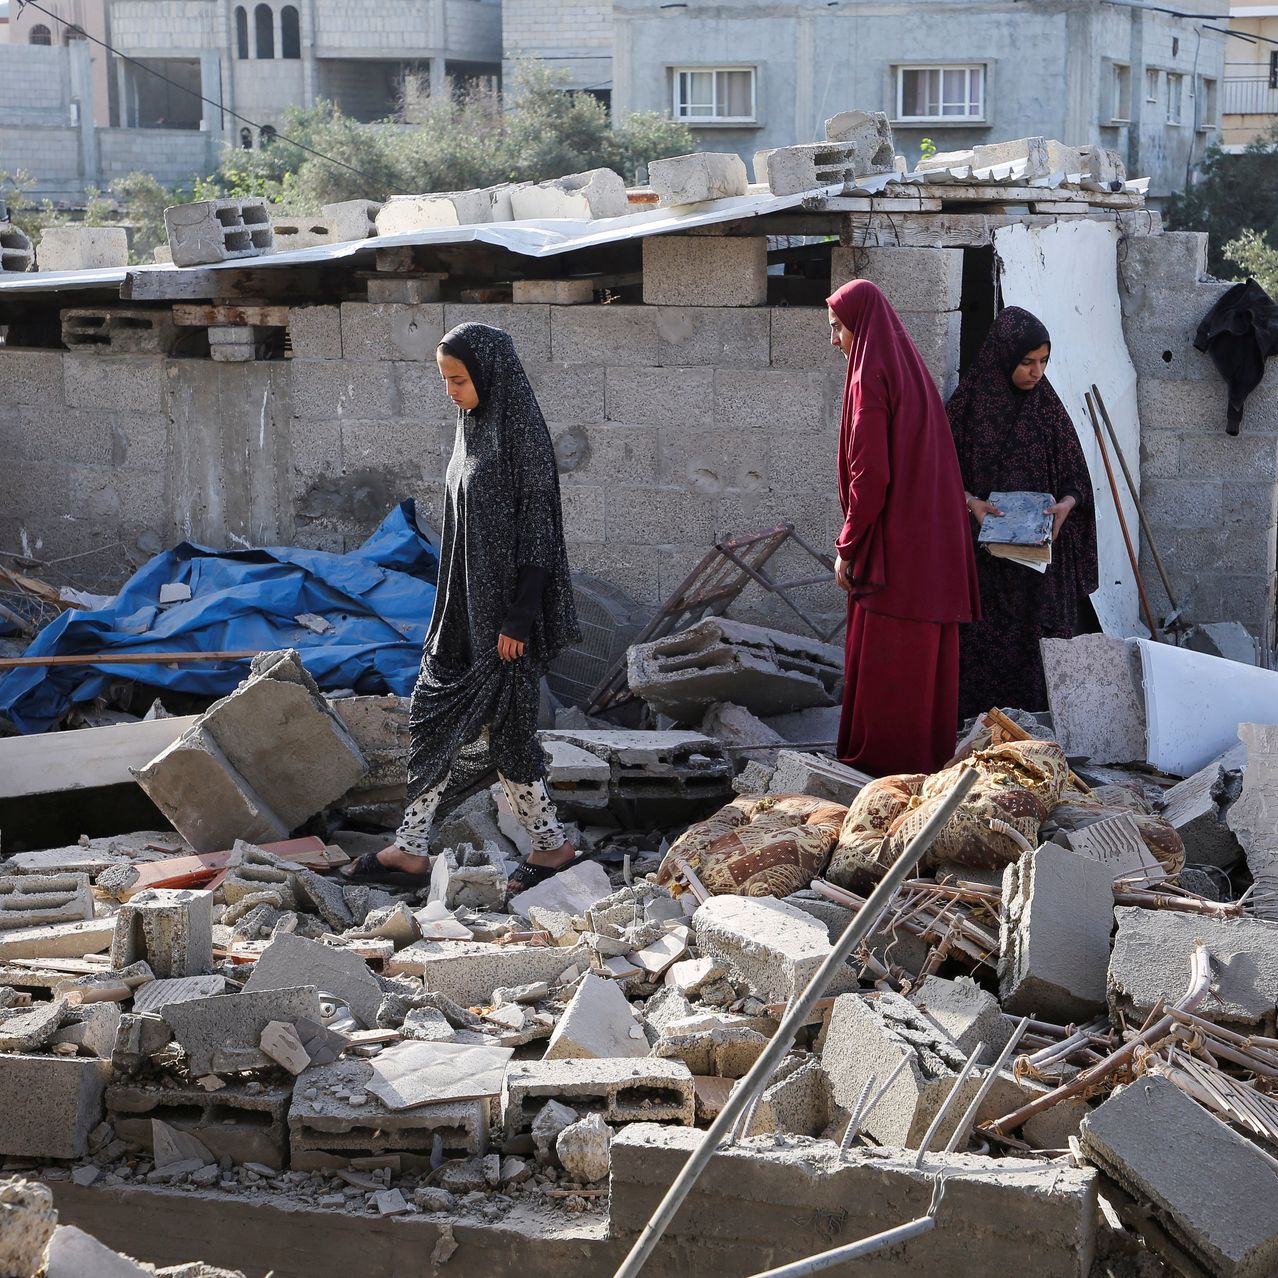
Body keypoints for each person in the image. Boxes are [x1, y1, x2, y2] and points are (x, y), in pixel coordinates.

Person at [343, 322, 583, 896]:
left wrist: (519, 617)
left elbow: (540, 535)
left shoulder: (522, 437)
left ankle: (551, 847)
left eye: (459, 380)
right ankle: (411, 848)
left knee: (509, 735)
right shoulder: (470, 430)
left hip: (505, 621)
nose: (450, 391)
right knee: (432, 714)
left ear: (489, 376)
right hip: (461, 614)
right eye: (445, 380)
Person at [826, 279, 980, 776]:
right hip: (930, 548)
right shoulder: (906, 368)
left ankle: (881, 773)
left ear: (860, 324)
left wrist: (848, 545)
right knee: (921, 670)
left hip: (896, 555)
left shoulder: (870, 375)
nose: (834, 339)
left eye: (838, 327)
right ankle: (921, 767)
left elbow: (870, 476)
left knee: (890, 668)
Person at [946, 306, 1099, 720]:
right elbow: (936, 476)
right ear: (1004, 355)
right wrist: (970, 503)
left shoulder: (1047, 408)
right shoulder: (966, 409)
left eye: (1044, 361)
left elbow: (1077, 481)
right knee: (980, 667)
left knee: (1035, 673)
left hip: (1038, 576)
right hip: (985, 572)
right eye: (1027, 361)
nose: (1037, 372)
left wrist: (1066, 506)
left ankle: (1032, 743)